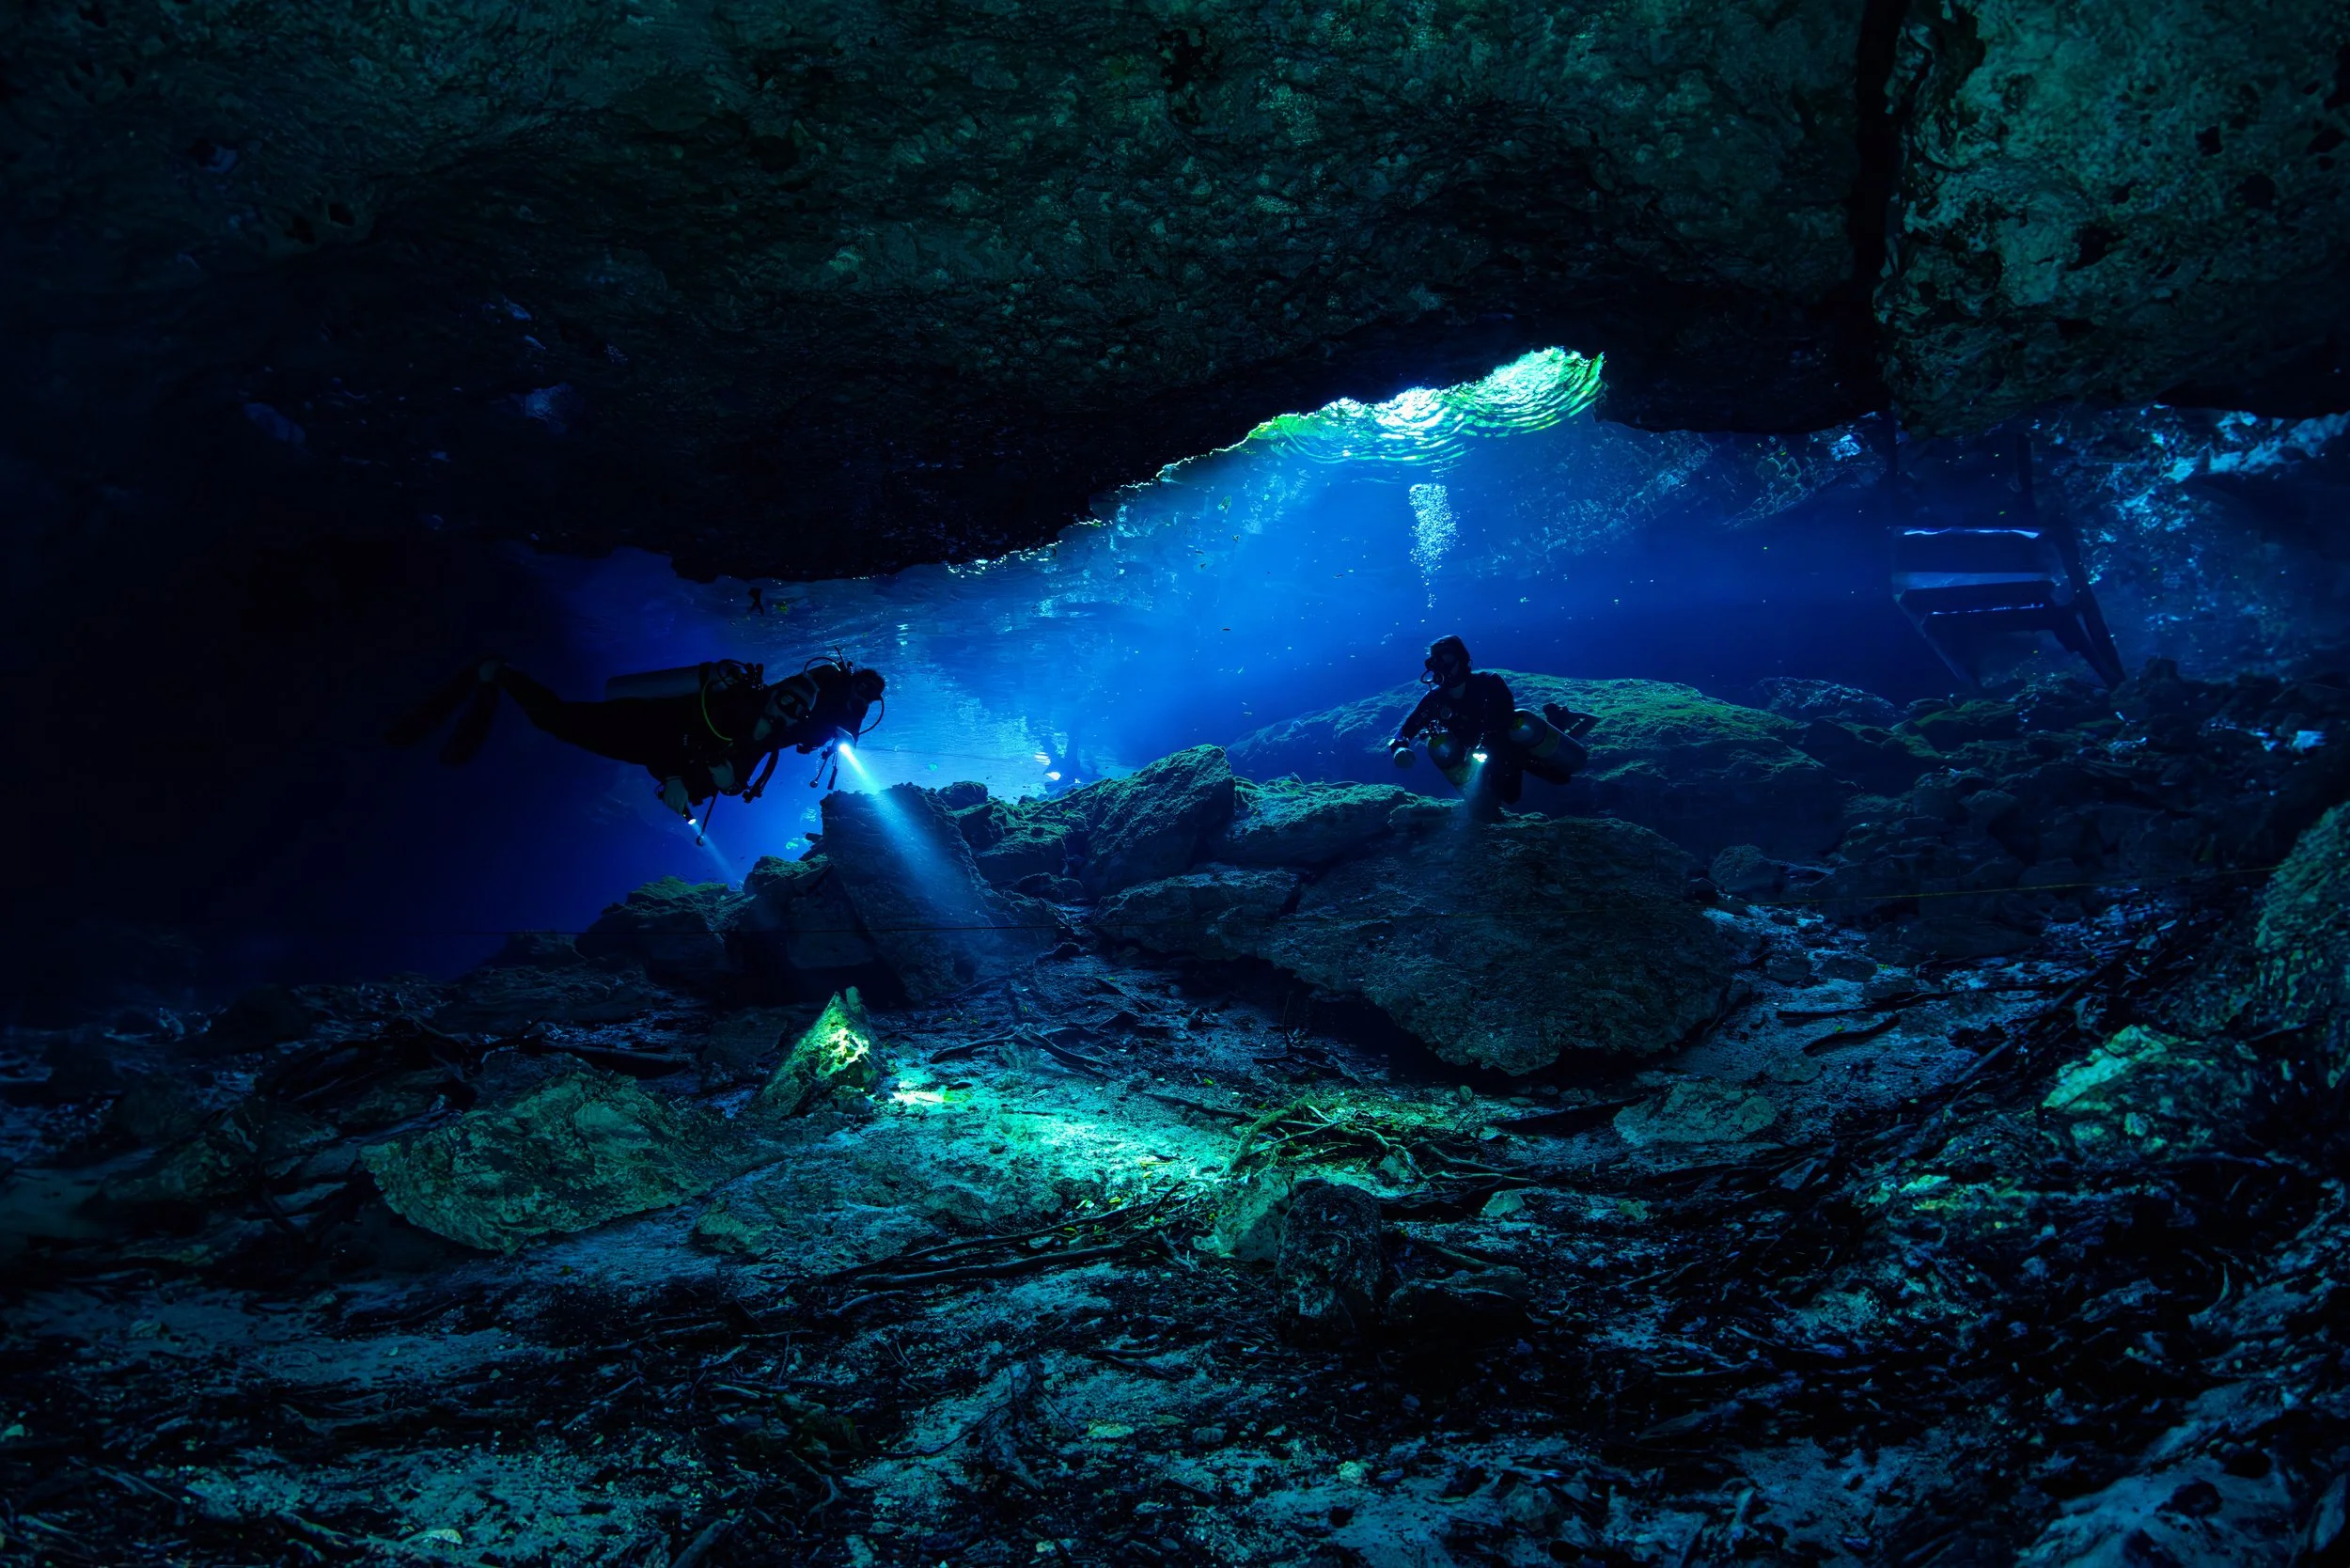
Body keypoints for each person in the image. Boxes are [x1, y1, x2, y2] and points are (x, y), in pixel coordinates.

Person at [389, 654, 885, 817]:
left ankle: (495, 678)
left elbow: (736, 774)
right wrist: (674, 773)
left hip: (664, 751)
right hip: (637, 725)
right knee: (552, 719)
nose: (791, 714)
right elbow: (669, 735)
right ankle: (494, 670)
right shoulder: (741, 704)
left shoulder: (775, 732)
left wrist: (724, 780)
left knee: (553, 723)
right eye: (787, 701)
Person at [1386, 635, 1597, 818]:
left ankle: (1558, 721)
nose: (1440, 664)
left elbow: (1506, 715)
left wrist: (1492, 744)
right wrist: (1399, 748)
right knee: (1502, 798)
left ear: (1462, 659)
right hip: (1478, 756)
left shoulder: (1488, 682)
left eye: (1446, 657)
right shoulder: (1434, 700)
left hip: (1509, 747)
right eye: (1435, 658)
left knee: (1559, 777)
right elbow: (1406, 729)